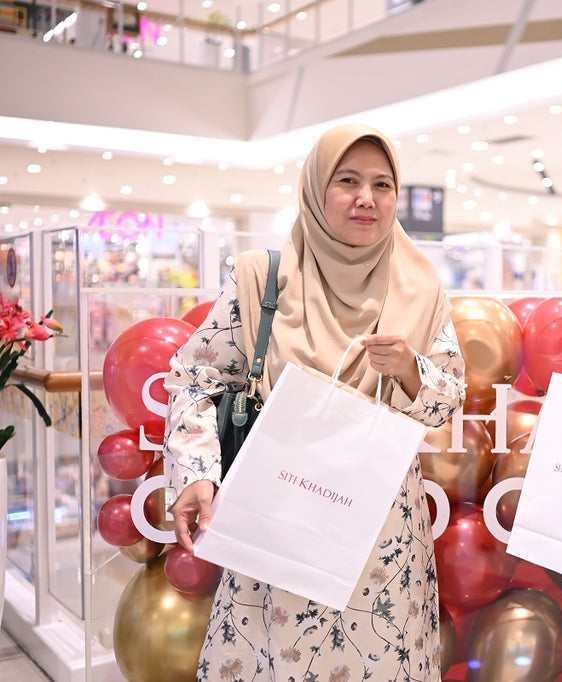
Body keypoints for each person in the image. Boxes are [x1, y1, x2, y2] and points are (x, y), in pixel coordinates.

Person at [164, 123, 466, 682]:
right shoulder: (264, 278)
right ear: (315, 187)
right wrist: (196, 473)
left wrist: (409, 368)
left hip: (380, 544)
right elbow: (194, 378)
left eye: (382, 184)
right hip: (280, 519)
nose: (366, 198)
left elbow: (446, 401)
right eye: (347, 180)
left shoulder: (422, 289)